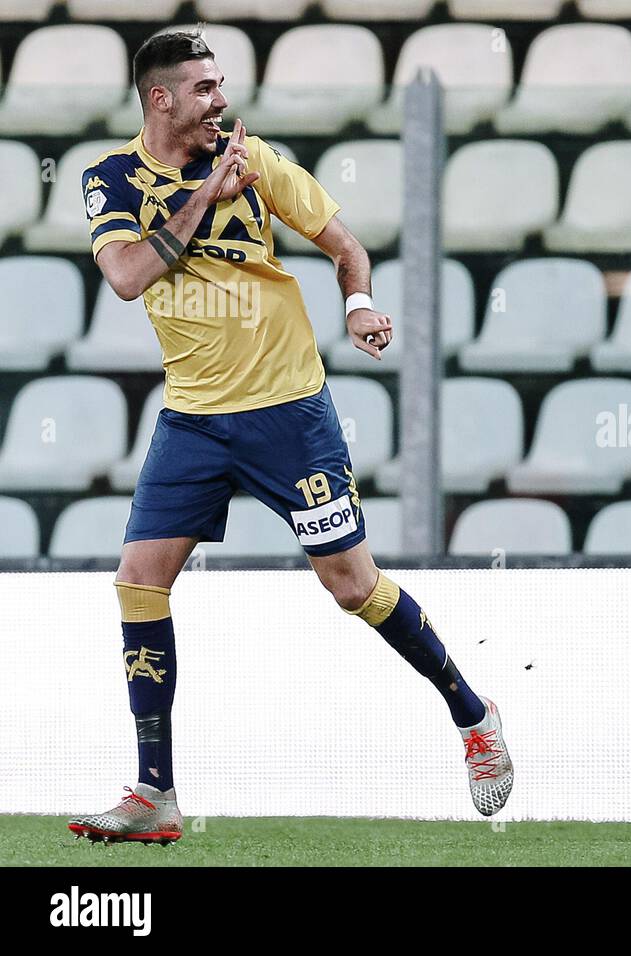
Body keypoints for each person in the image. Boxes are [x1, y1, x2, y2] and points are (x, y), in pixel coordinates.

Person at [68, 30, 511, 844]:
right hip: (193, 420)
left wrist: (358, 305)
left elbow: (346, 246)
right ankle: (155, 792)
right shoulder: (112, 179)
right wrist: (206, 196)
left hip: (288, 413)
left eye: (221, 85)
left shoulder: (258, 161)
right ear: (159, 98)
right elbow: (129, 277)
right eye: (204, 89)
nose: (221, 102)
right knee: (137, 579)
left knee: (351, 587)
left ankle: (473, 714)